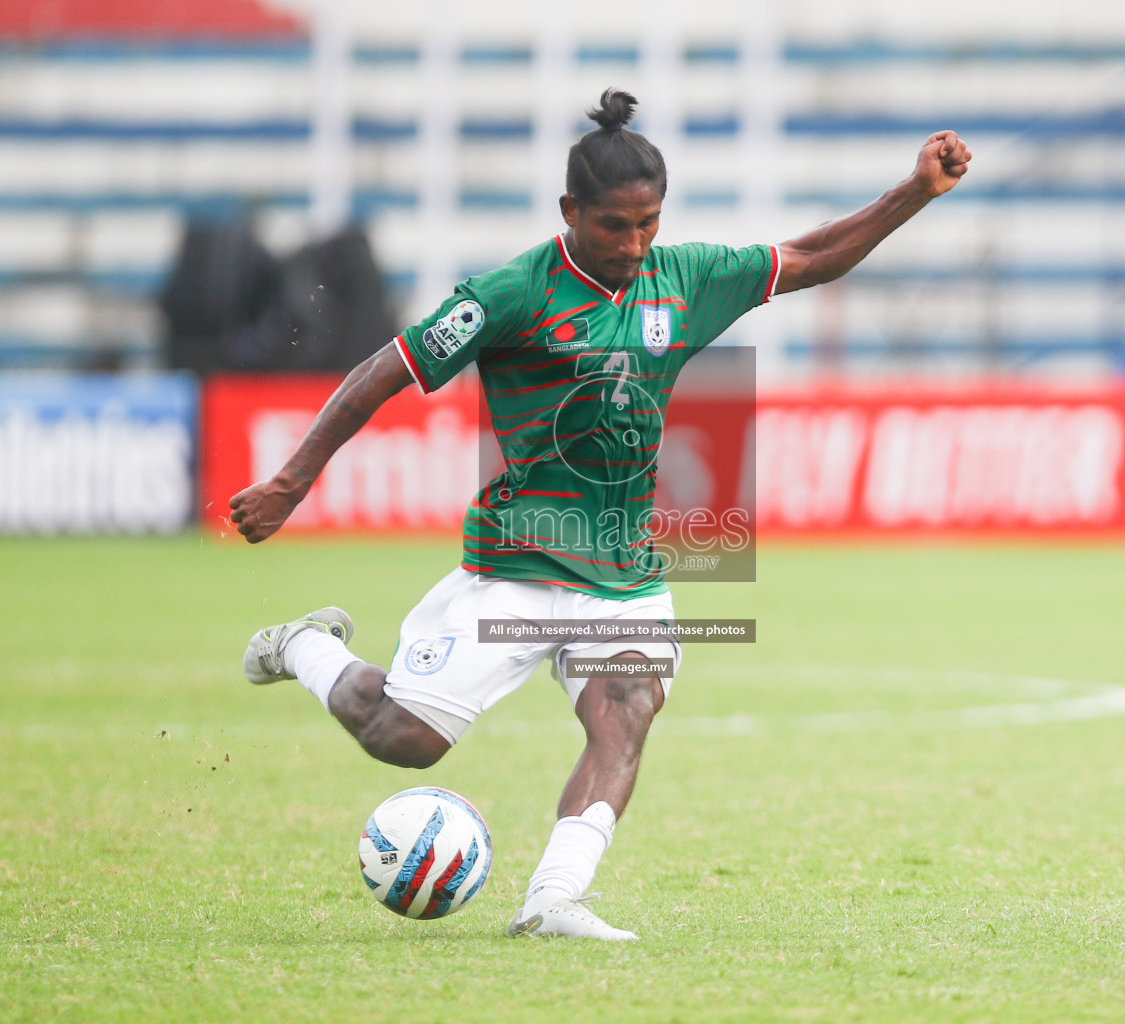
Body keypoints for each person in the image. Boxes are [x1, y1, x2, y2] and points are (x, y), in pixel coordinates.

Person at [230, 88, 971, 941]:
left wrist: (914, 191)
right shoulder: (510, 294)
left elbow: (813, 255)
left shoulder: (683, 277)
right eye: (616, 225)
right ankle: (309, 646)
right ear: (569, 211)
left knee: (627, 710)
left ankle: (553, 899)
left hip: (624, 571)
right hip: (518, 562)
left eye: (649, 222)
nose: (635, 243)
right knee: (404, 738)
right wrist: (293, 478)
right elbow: (384, 368)